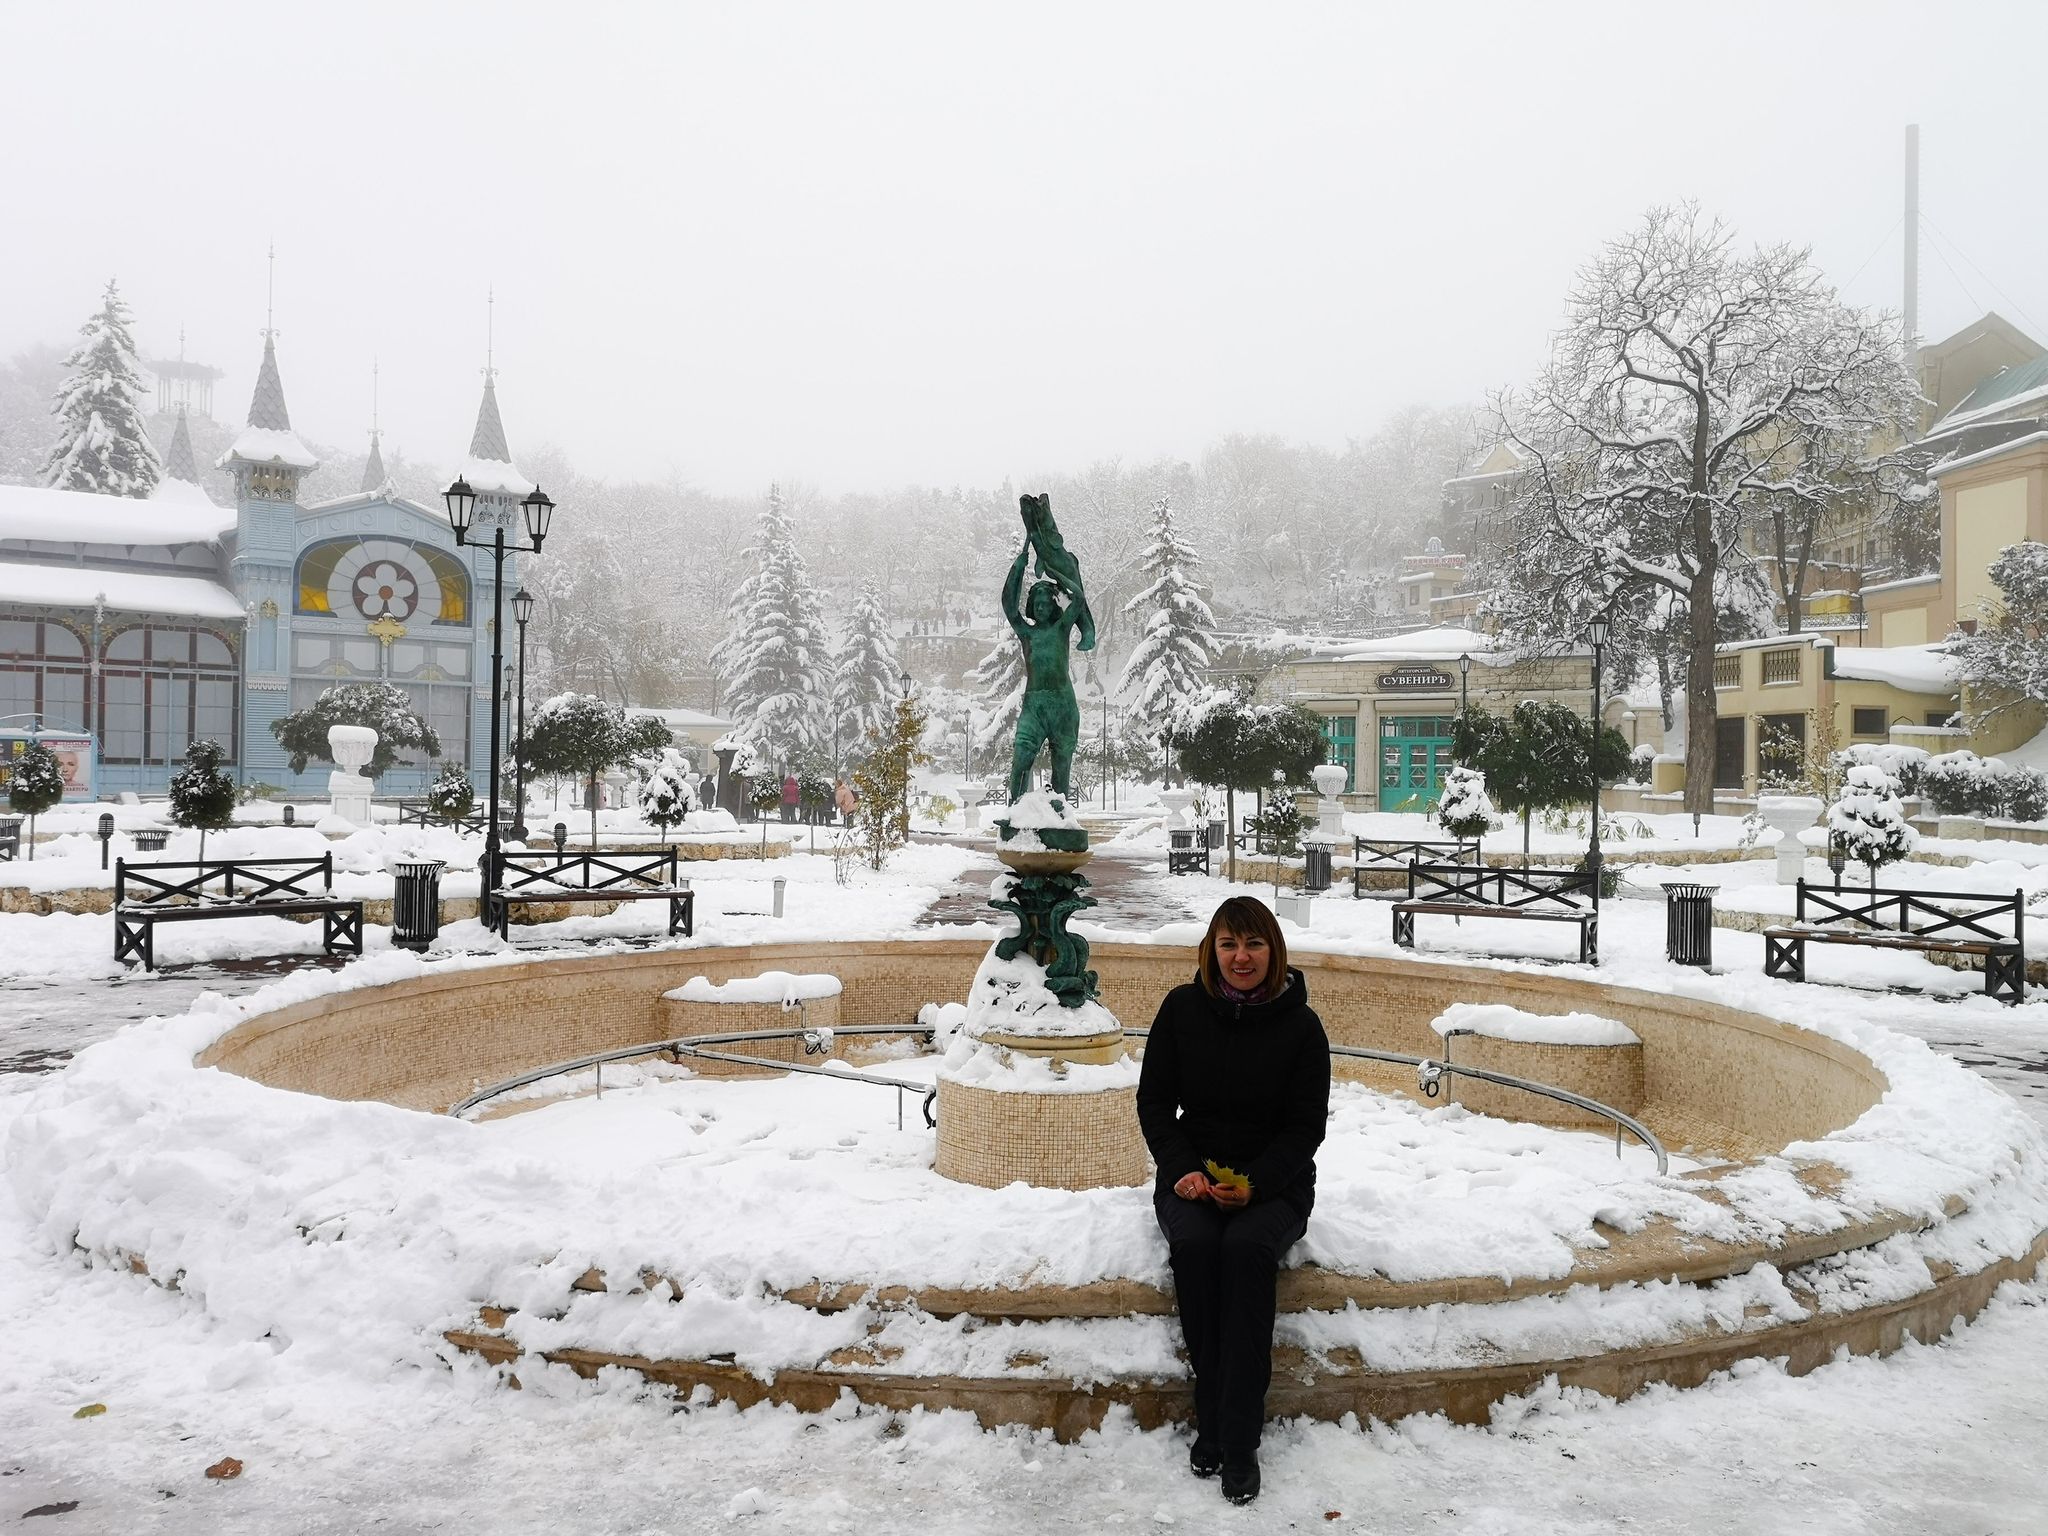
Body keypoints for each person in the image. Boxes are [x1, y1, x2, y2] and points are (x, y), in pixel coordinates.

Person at [1135, 895, 1331, 1506]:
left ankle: (1238, 1438)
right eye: (1228, 944)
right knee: (1195, 1247)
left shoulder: (1302, 1027)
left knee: (1246, 1250)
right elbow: (1154, 1105)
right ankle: (1212, 1416)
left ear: (1273, 950)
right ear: (1211, 950)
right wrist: (1183, 1171)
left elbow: (1305, 1129)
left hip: (1276, 1181)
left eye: (1252, 944)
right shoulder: (1181, 1009)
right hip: (1193, 1176)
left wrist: (1259, 1185)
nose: (1240, 957)